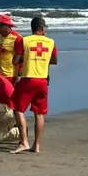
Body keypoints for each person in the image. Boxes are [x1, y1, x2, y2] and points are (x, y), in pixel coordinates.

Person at [11, 16, 57, 153]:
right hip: (43, 80)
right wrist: (41, 60)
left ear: (32, 29)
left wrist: (28, 59)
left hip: (28, 79)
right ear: (42, 29)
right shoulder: (51, 42)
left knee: (17, 108)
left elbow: (15, 61)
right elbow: (54, 60)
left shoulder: (24, 40)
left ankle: (24, 141)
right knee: (39, 113)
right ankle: (36, 145)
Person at [0, 14, 23, 84]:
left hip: (12, 76)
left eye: (0, 25)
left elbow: (22, 59)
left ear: (8, 25)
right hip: (0, 75)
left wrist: (19, 76)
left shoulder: (17, 38)